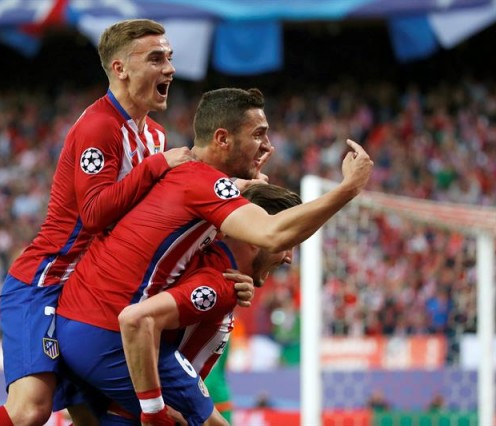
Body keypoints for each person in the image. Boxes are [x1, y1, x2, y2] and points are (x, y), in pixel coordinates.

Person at [55, 87, 373, 425]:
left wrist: (247, 182)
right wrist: (348, 189)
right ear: (222, 138)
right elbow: (272, 232)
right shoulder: (217, 270)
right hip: (110, 334)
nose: (268, 146)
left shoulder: (192, 185)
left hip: (87, 324)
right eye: (258, 135)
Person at [0, 18, 194, 426]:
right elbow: (93, 214)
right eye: (156, 58)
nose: (169, 69)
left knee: (98, 419)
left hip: (93, 295)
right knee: (29, 411)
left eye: (170, 58)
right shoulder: (99, 126)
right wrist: (157, 168)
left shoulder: (155, 137)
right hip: (48, 280)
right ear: (120, 68)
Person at [117, 184, 303, 425]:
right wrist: (155, 408)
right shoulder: (214, 284)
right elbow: (135, 320)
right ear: (257, 236)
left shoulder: (226, 280)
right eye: (284, 243)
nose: (289, 257)